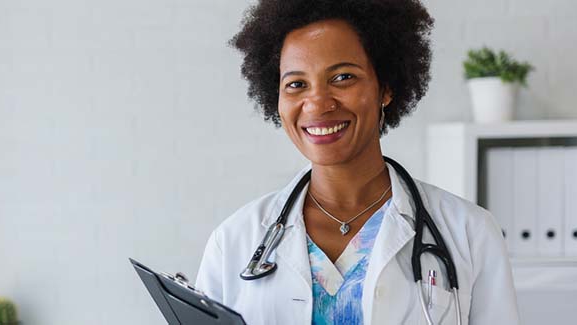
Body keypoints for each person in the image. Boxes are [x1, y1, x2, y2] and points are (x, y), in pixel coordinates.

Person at [194, 0, 520, 324]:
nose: (318, 104)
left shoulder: (470, 233)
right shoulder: (235, 241)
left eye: (343, 77)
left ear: (386, 87)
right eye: (296, 84)